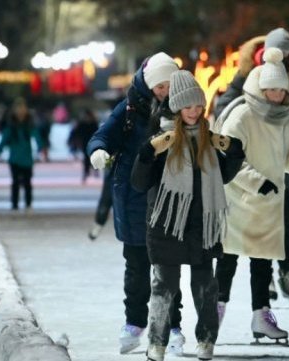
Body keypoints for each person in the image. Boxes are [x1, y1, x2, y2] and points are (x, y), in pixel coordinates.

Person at [131, 69, 245, 361]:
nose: (194, 111)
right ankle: (157, 343)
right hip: (167, 222)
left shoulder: (209, 139)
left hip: (201, 225)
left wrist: (233, 150)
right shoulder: (163, 138)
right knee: (164, 288)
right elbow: (139, 183)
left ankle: (206, 339)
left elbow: (225, 177)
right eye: (187, 105)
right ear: (176, 107)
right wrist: (148, 153)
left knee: (206, 287)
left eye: (198, 105)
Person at [215, 48, 289, 342]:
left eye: (280, 89)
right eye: (270, 89)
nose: (275, 94)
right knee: (227, 258)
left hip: (269, 201)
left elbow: (284, 155)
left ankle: (262, 315)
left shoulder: (287, 116)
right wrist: (256, 182)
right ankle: (215, 310)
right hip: (237, 199)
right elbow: (228, 159)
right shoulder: (241, 114)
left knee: (262, 263)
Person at [86, 52, 185, 355]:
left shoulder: (184, 108)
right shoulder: (128, 109)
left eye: (170, 85)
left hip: (170, 198)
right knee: (137, 268)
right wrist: (99, 151)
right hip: (133, 199)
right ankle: (134, 323)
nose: (165, 92)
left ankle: (172, 325)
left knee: (169, 269)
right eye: (159, 86)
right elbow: (102, 135)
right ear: (148, 84)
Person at [0, 97, 46, 211]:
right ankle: (14, 204)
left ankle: (28, 204)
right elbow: (3, 142)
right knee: (15, 183)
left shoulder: (29, 125)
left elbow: (37, 138)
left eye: (23, 109)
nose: (20, 112)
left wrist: (42, 149)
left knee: (27, 183)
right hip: (14, 159)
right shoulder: (10, 127)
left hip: (27, 160)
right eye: (18, 109)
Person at [69, 108, 100, 183]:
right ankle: (86, 172)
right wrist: (72, 140)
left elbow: (98, 132)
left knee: (93, 156)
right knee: (86, 158)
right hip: (85, 143)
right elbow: (74, 133)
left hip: (93, 142)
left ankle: (95, 169)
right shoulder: (81, 124)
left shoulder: (93, 123)